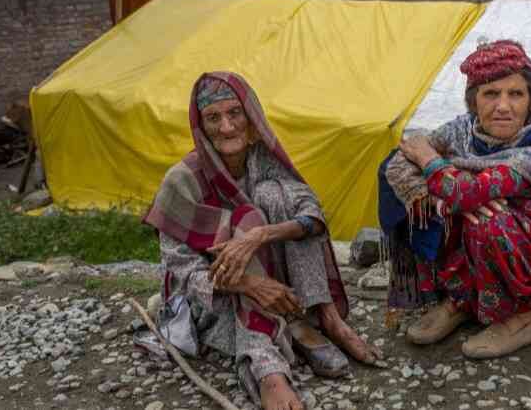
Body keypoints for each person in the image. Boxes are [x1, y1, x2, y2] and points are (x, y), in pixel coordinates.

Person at [145, 72, 381, 410]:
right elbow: (183, 270)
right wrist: (250, 284)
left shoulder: (262, 159)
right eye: (213, 118)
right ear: (200, 125)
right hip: (215, 299)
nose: (226, 128)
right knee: (247, 217)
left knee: (272, 200)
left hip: (277, 288)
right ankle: (268, 368)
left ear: (250, 115)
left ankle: (325, 316)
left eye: (234, 113)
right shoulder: (181, 181)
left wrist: (260, 236)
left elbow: (313, 215)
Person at [379, 40, 531, 360]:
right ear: (474, 101)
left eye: (516, 94)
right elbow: (398, 162)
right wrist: (438, 201)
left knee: (485, 217)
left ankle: (525, 317)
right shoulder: (463, 130)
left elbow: (457, 189)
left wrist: (433, 163)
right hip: (485, 241)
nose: (503, 106)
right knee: (440, 205)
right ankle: (463, 299)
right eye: (491, 94)